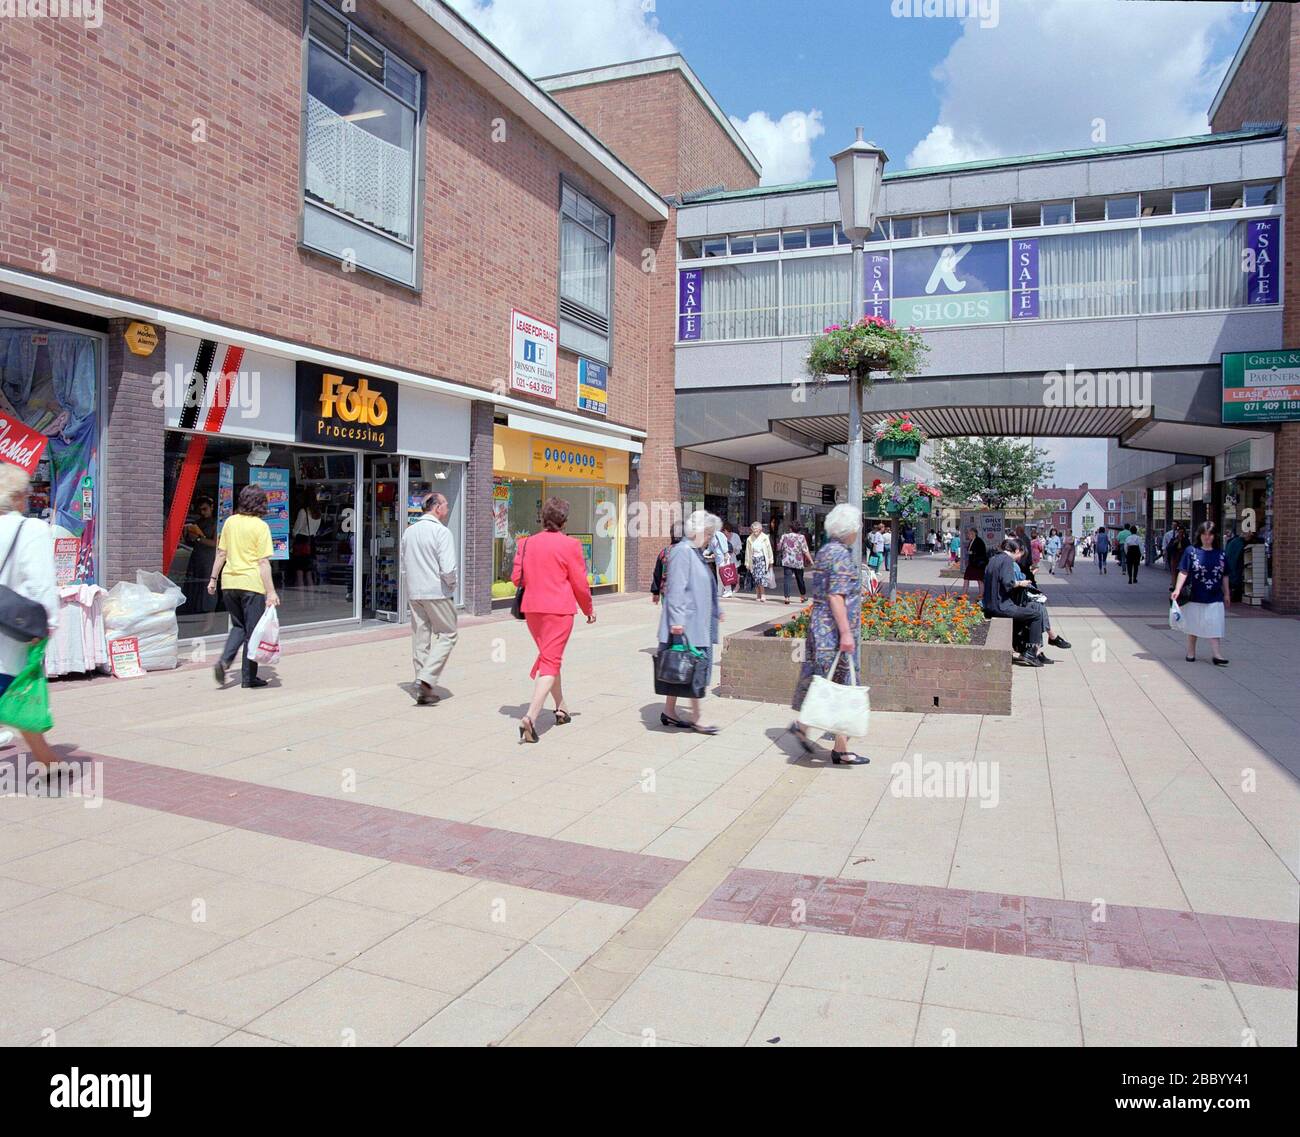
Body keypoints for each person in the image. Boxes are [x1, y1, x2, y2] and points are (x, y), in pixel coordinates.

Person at [790, 502, 868, 765]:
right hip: (834, 633)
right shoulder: (841, 556)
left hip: (820, 629)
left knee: (825, 681)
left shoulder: (825, 551)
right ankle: (840, 748)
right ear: (850, 529)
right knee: (841, 686)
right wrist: (846, 633)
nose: (858, 531)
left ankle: (807, 728)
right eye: (857, 526)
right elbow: (836, 596)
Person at [512, 497, 595, 743]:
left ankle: (561, 708)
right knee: (550, 660)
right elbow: (579, 582)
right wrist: (588, 608)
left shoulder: (525, 544)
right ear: (564, 521)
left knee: (549, 657)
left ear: (542, 518)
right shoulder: (571, 545)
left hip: (533, 611)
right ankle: (531, 717)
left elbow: (517, 578)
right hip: (559, 611)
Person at [0, 464, 61, 773]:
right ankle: (48, 763)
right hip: (16, 632)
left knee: (15, 697)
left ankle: (48, 762)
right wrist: (48, 624)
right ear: (19, 498)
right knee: (19, 694)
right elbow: (41, 584)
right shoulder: (31, 530)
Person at [659, 511, 724, 734]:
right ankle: (698, 718)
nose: (710, 538)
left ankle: (669, 711)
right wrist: (677, 622)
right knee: (695, 669)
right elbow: (675, 588)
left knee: (683, 668)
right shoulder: (682, 552)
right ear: (696, 531)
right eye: (708, 533)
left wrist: (717, 610)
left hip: (695, 623)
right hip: (687, 624)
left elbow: (705, 586)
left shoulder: (695, 553)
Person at [209, 485, 280, 689]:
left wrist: (213, 578)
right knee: (253, 631)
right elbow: (263, 563)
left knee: (238, 626)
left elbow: (221, 554)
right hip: (251, 584)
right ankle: (249, 678)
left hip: (229, 583)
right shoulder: (260, 527)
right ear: (260, 503)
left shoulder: (230, 522)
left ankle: (224, 661)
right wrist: (271, 591)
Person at [401, 491, 458, 706]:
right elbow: (448, 567)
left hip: (415, 591)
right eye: (445, 504)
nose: (447, 507)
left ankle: (421, 686)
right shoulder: (441, 532)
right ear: (436, 508)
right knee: (448, 633)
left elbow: (404, 562)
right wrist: (451, 585)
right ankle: (427, 678)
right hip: (437, 591)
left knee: (420, 638)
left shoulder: (410, 532)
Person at [982, 538, 1049, 667]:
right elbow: (1008, 583)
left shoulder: (993, 559)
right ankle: (1031, 652)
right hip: (1001, 606)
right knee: (1036, 615)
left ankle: (1021, 647)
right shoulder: (1007, 561)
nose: (1018, 559)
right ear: (1017, 550)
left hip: (989, 605)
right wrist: (1020, 583)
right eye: (1019, 555)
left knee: (1023, 615)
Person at [1173, 521, 1230, 666]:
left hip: (1215, 595)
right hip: (1195, 594)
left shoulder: (1221, 554)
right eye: (1204, 534)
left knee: (1215, 623)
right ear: (1199, 535)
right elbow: (1183, 571)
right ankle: (1191, 651)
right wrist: (1177, 589)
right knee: (1194, 624)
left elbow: (1225, 575)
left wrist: (1227, 593)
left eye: (1210, 534)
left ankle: (1217, 654)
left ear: (1214, 536)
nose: (1207, 537)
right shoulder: (1191, 552)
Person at [181, 495, 220, 624]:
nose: (202, 512)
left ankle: (209, 620)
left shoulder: (216, 523)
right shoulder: (198, 522)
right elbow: (192, 542)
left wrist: (198, 538)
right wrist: (189, 536)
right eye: (200, 510)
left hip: (209, 558)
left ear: (212, 508)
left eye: (205, 509)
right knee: (195, 585)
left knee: (207, 587)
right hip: (197, 556)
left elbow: (215, 543)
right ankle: (196, 615)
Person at [291, 486, 323, 590]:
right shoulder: (317, 512)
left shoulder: (303, 512)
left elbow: (296, 529)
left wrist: (293, 535)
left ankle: (300, 598)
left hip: (302, 542)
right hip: (311, 542)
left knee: (299, 572)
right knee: (309, 573)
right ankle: (311, 598)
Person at [777, 521, 812, 604]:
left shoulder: (784, 536)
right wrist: (811, 560)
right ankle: (803, 597)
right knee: (800, 579)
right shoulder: (801, 537)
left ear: (790, 528)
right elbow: (805, 550)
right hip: (798, 561)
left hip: (787, 561)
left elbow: (779, 548)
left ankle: (787, 598)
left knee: (787, 579)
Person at [650, 521, 684, 606]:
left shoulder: (664, 552)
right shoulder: (689, 552)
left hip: (667, 593)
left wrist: (655, 592)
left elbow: (657, 574)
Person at [744, 520, 774, 603]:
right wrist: (747, 563)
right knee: (756, 578)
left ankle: (763, 594)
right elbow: (748, 551)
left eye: (757, 530)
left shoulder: (765, 537)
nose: (755, 531)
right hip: (753, 560)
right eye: (754, 530)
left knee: (761, 578)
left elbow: (769, 550)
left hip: (762, 560)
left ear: (760, 529)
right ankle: (758, 594)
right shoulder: (749, 539)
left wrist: (771, 561)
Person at [1224, 527, 1246, 604]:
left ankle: (1232, 595)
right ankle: (1235, 596)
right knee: (1235, 579)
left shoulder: (1232, 542)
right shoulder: (1239, 542)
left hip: (1230, 566)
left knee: (1231, 579)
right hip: (1234, 567)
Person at [963, 527, 988, 594]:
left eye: (969, 533)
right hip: (972, 564)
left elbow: (979, 552)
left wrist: (971, 552)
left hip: (978, 564)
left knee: (979, 580)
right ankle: (963, 595)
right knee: (966, 578)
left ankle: (981, 595)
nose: (967, 535)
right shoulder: (972, 541)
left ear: (973, 533)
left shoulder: (979, 541)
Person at [1166, 523, 1190, 592]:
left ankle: (1181, 586)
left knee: (1182, 572)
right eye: (1179, 532)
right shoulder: (1173, 540)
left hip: (1182, 558)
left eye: (1182, 532)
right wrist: (1175, 543)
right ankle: (1174, 586)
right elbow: (1169, 548)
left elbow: (1188, 548)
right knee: (1174, 572)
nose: (1180, 534)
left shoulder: (1186, 540)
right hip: (1175, 558)